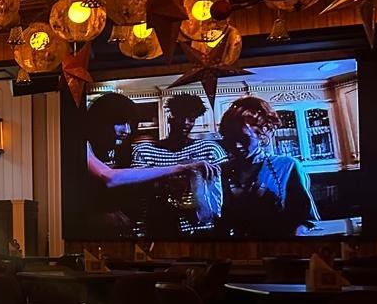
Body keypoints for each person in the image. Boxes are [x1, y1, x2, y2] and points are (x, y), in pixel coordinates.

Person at [84, 92, 219, 237]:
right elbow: (109, 177)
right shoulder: (83, 145)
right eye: (121, 122)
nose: (127, 130)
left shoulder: (115, 149)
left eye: (129, 123)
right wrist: (181, 167)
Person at [218, 96, 319, 238]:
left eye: (243, 139)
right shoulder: (223, 171)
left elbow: (306, 219)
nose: (237, 145)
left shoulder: (286, 166)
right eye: (231, 139)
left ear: (261, 134)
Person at [131, 93, 227, 237]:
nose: (186, 123)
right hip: (161, 228)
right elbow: (137, 188)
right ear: (170, 117)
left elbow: (224, 189)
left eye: (191, 119)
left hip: (203, 229)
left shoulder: (210, 149)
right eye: (181, 117)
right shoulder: (145, 151)